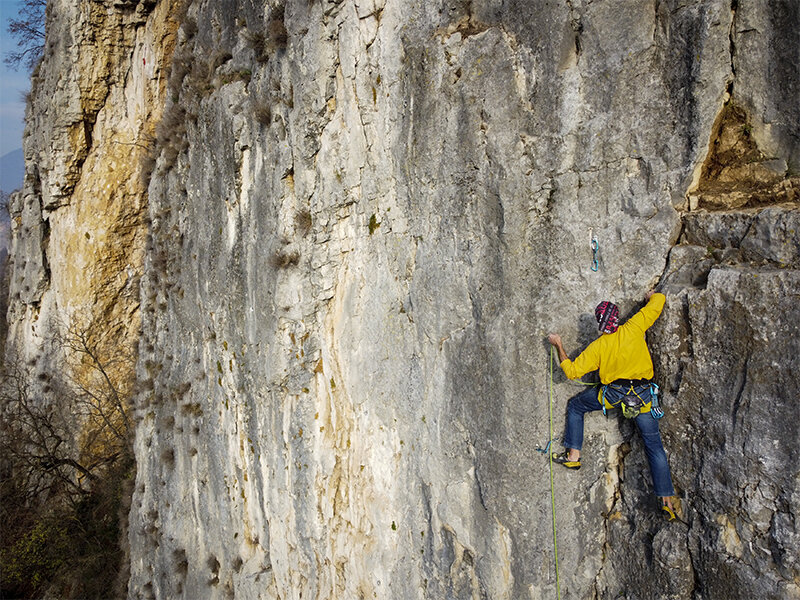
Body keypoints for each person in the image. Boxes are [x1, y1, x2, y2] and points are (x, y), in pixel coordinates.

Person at [547, 290, 676, 521]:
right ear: (617, 318)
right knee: (654, 446)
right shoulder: (634, 327)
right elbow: (660, 301)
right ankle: (666, 499)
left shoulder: (599, 346)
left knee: (576, 406)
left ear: (600, 323)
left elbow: (572, 371)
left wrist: (558, 345)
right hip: (643, 396)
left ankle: (573, 456)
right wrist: (650, 296)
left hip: (614, 395)